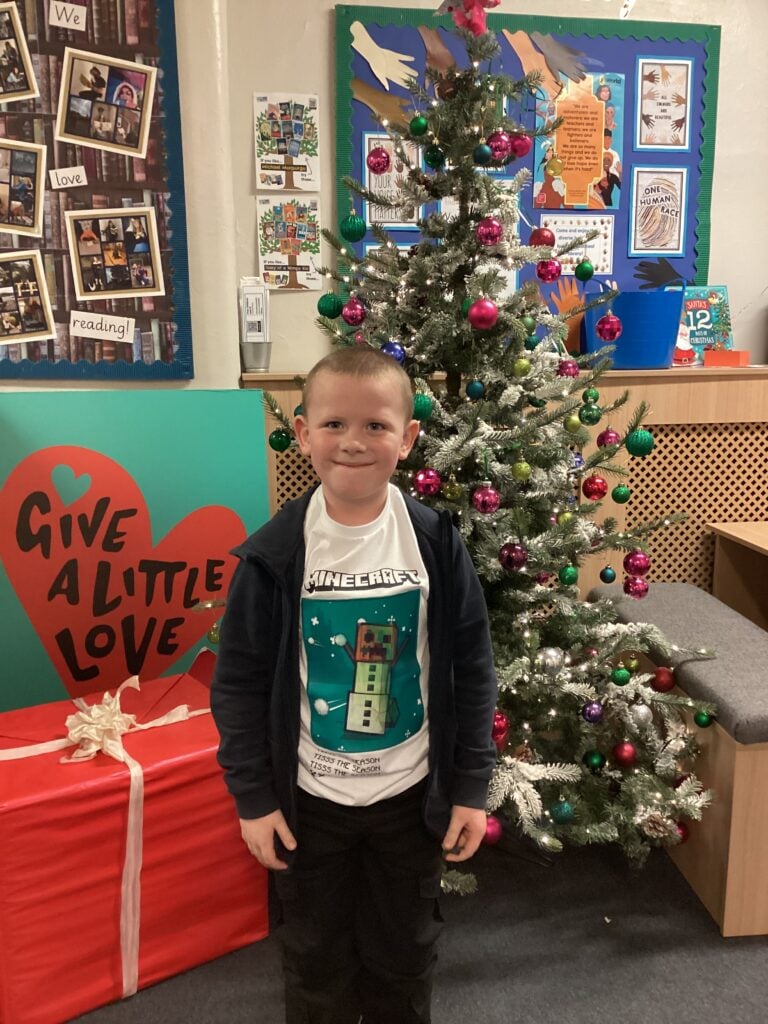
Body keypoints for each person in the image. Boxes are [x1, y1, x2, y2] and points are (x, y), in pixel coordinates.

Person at [211, 346, 498, 1024]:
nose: (354, 442)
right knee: (315, 961)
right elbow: (239, 686)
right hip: (311, 806)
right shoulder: (274, 557)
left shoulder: (433, 542)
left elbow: (473, 666)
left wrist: (469, 789)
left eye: (376, 425)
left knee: (405, 955)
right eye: (335, 424)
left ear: (409, 437)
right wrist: (253, 798)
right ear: (304, 431)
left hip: (410, 800)